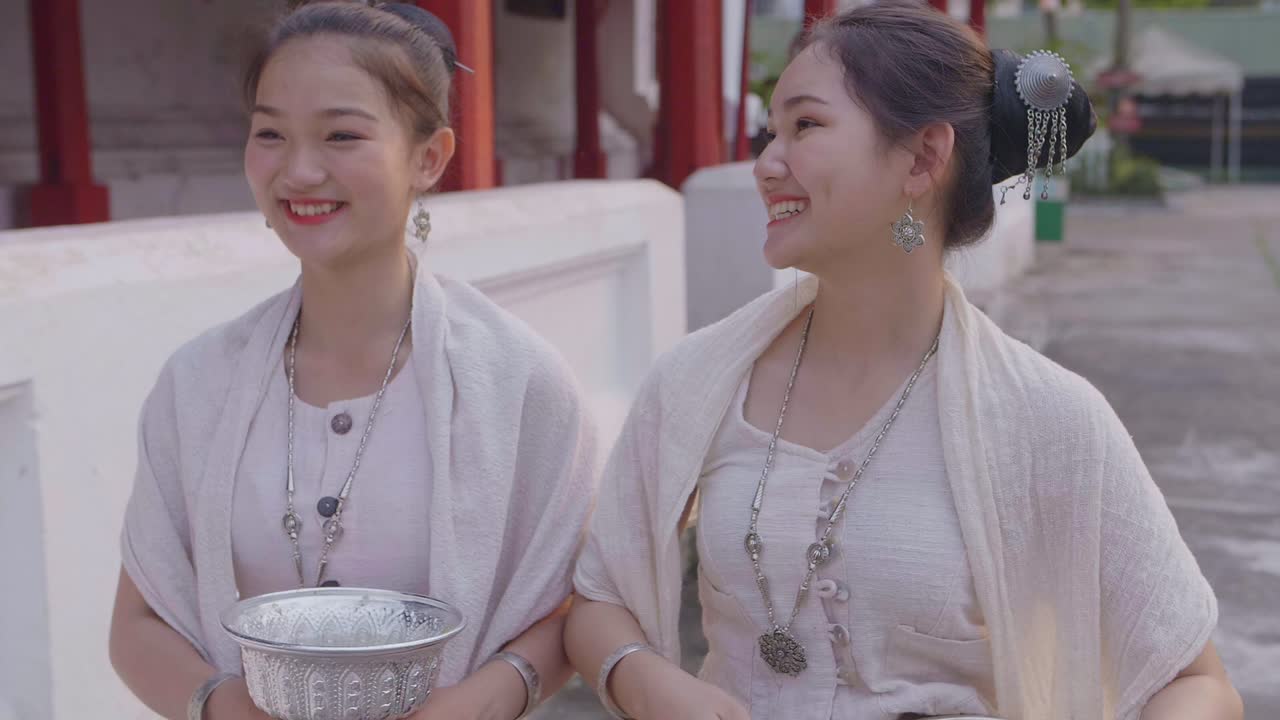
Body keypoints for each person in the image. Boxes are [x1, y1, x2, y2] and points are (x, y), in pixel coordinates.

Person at [566, 4, 1242, 720]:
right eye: (770, 130)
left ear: (922, 158)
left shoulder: (1044, 415)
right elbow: (598, 596)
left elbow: (1195, 681)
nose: (766, 164)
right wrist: (650, 684)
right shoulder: (698, 381)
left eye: (805, 125)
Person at [108, 3, 597, 719]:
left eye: (342, 135)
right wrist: (225, 708)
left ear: (428, 158)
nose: (299, 170)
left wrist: (475, 704)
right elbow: (138, 621)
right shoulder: (197, 383)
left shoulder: (518, 381)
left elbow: (570, 602)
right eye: (269, 133)